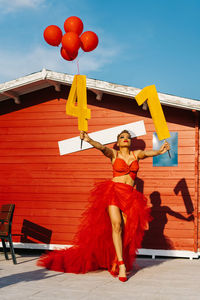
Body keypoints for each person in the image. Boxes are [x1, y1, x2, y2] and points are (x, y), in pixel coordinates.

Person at [38, 130, 170, 282]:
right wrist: (89, 140)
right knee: (117, 225)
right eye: (122, 137)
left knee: (127, 232)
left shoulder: (136, 155)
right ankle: (121, 265)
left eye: (128, 137)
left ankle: (115, 259)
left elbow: (148, 153)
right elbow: (102, 147)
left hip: (130, 196)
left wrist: (160, 151)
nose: (125, 139)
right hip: (114, 192)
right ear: (118, 142)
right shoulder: (114, 154)